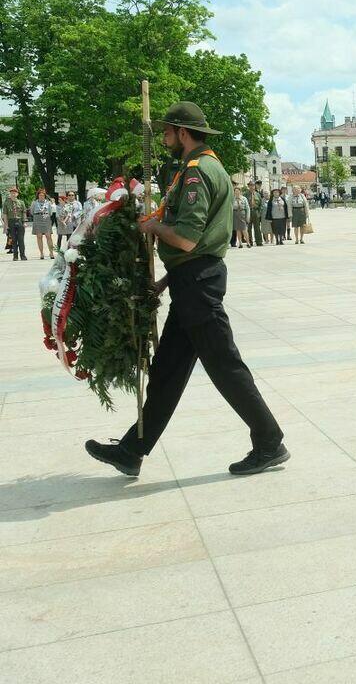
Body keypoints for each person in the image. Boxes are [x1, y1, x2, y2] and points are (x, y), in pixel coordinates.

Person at [85, 101, 288, 477]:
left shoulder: (196, 172)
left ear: (182, 132)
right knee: (168, 370)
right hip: (190, 282)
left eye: (167, 132)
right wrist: (167, 280)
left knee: (224, 365)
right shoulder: (200, 167)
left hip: (198, 285)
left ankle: (269, 441)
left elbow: (188, 239)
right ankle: (131, 451)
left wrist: (153, 227)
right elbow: (193, 247)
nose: (163, 138)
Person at [30, 188, 55, 260]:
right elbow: (32, 212)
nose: (41, 197)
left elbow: (50, 212)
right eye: (40, 195)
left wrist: (45, 215)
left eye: (43, 195)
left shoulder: (48, 202)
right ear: (38, 196)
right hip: (37, 218)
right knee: (39, 236)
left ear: (45, 196)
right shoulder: (34, 202)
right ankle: (41, 253)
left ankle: (51, 253)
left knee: (48, 236)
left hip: (46, 218)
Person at [4, 186, 27, 261]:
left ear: (17, 194)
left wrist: (24, 222)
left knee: (21, 239)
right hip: (11, 222)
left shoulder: (21, 202)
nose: (13, 194)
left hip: (19, 221)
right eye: (11, 193)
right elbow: (5, 215)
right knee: (13, 240)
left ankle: (23, 255)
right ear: (10, 194)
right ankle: (15, 256)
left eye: (14, 193)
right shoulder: (6, 203)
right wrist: (6, 225)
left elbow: (24, 212)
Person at [246, 181, 264, 247]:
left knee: (257, 228)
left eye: (253, 185)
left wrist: (259, 212)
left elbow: (261, 204)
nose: (252, 187)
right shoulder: (245, 194)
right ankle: (250, 241)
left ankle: (259, 241)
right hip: (248, 212)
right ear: (248, 186)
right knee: (248, 228)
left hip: (256, 212)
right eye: (250, 185)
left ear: (255, 186)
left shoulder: (258, 194)